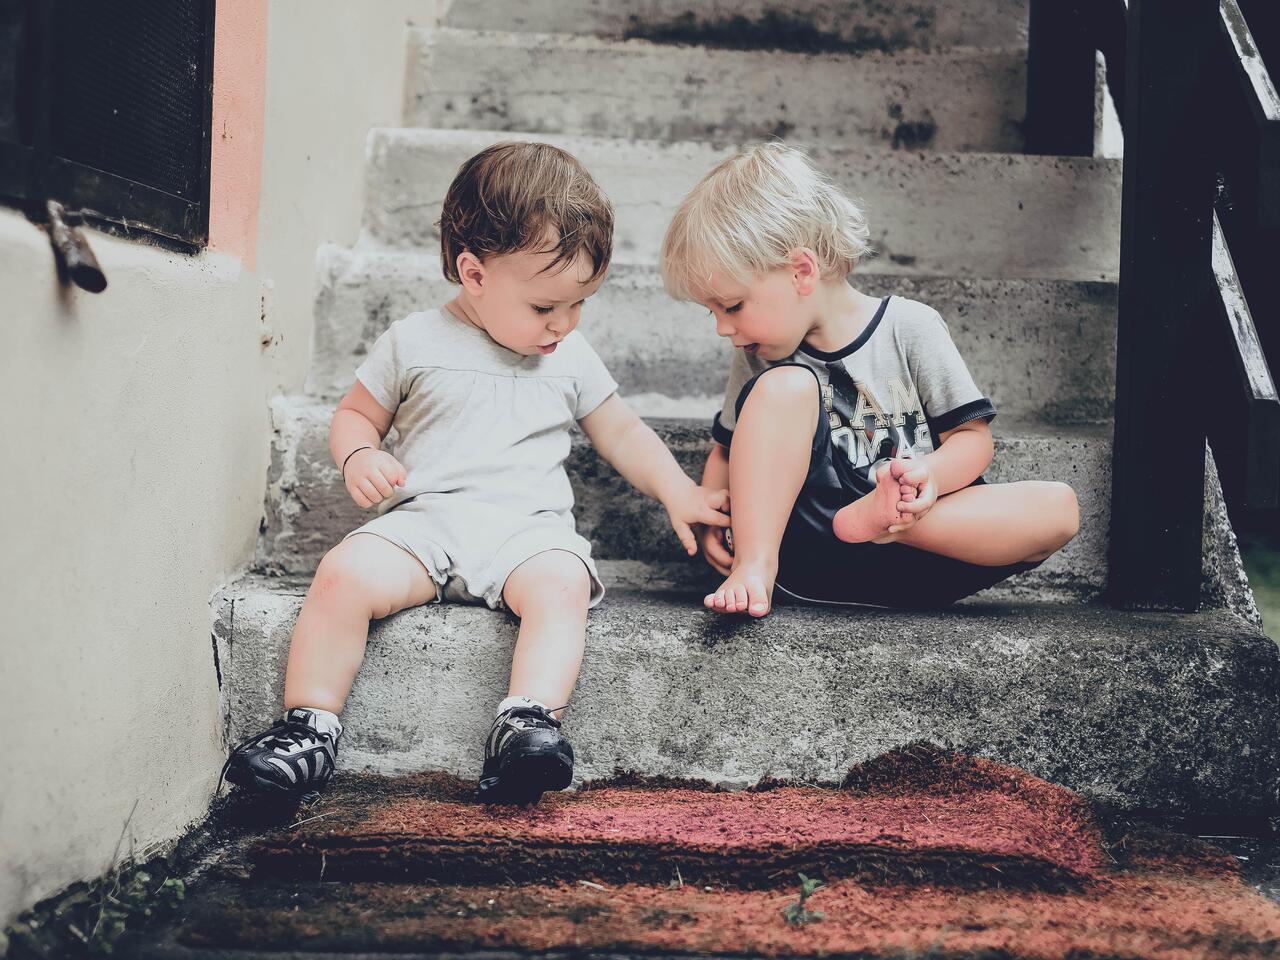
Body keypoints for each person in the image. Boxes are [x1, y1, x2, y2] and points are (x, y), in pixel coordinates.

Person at [222, 142, 729, 804]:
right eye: (546, 307)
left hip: (526, 533)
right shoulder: (413, 341)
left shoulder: (569, 355)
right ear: (474, 272)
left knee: (562, 584)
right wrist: (359, 455)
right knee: (343, 572)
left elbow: (623, 432)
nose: (564, 324)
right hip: (425, 525)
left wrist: (679, 490)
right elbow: (353, 415)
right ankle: (309, 731)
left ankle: (527, 724)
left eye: (580, 305)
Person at [658, 142, 1080, 618]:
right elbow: (728, 450)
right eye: (711, 312)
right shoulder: (762, 354)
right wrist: (717, 518)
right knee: (784, 388)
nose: (723, 328)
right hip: (810, 550)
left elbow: (972, 440)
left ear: (801, 271)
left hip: (926, 549)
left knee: (1059, 507)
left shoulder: (910, 327)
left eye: (732, 306)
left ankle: (878, 519)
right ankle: (757, 565)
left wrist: (928, 481)